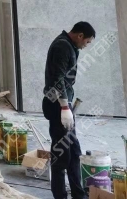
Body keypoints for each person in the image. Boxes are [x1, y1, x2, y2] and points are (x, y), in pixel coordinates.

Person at [43, 21, 96, 199]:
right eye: (87, 41)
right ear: (80, 35)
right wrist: (65, 106)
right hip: (57, 105)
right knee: (61, 155)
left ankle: (78, 194)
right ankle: (60, 196)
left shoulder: (69, 46)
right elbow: (58, 79)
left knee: (74, 153)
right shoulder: (62, 46)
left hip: (63, 104)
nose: (86, 45)